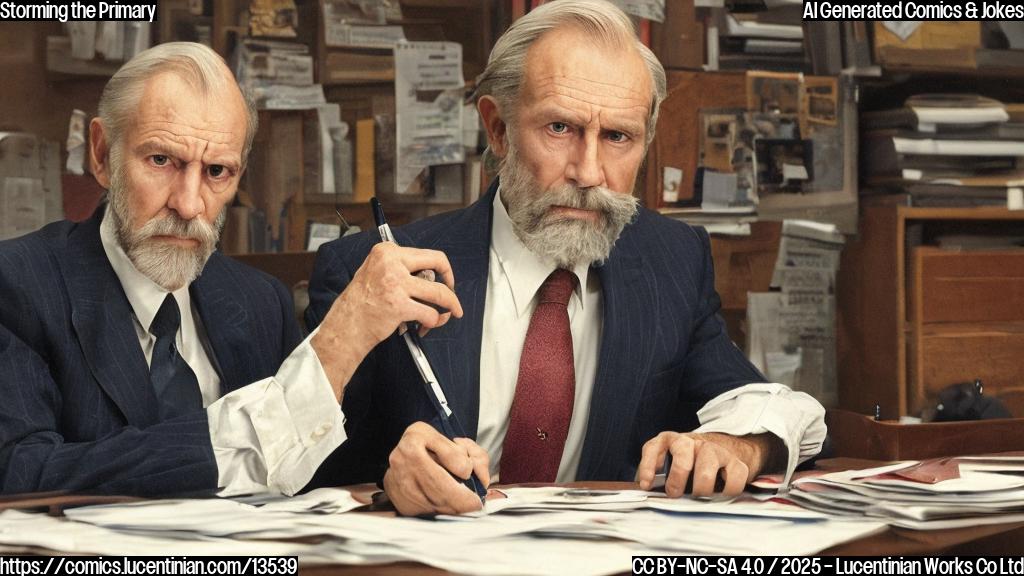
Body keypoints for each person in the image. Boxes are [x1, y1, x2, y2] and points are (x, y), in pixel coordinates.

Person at [307, 0, 826, 516]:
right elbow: (294, 468)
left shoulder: (672, 261)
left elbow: (765, 405)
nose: (590, 173)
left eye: (618, 137)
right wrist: (387, 480)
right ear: (498, 128)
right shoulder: (373, 270)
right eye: (560, 129)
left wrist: (741, 444)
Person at [0, 42, 460, 496]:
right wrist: (333, 349)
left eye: (217, 171)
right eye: (161, 161)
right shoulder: (18, 284)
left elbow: (302, 471)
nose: (188, 203)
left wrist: (400, 466)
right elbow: (20, 473)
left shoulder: (260, 302)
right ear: (101, 155)